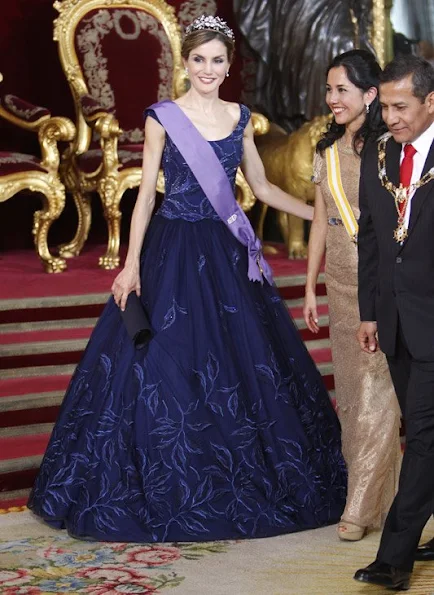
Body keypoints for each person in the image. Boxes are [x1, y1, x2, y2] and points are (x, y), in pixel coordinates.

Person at [27, 15, 346, 543]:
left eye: (217, 60)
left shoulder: (241, 117)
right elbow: (147, 195)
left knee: (240, 363)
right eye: (199, 59)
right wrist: (131, 264)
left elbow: (262, 188)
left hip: (223, 252)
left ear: (228, 65)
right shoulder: (163, 117)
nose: (208, 69)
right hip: (170, 251)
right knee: (160, 361)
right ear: (186, 64)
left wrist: (325, 216)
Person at [304, 50, 402, 542]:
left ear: (369, 95)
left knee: (376, 396)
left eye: (341, 90)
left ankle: (359, 507)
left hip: (380, 282)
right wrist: (308, 285)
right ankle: (382, 497)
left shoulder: (388, 151)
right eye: (328, 90)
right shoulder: (325, 150)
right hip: (338, 284)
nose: (332, 99)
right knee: (350, 398)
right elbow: (321, 219)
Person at [354, 54, 434, 590]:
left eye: (400, 106)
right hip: (395, 319)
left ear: (431, 102)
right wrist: (368, 311)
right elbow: (373, 238)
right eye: (384, 106)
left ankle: (394, 558)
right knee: (425, 432)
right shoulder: (379, 152)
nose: (390, 117)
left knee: (424, 438)